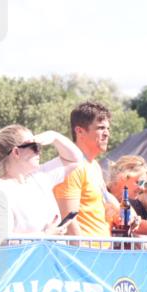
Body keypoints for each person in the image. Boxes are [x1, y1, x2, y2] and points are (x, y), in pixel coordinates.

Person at [0, 125, 81, 246]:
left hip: (51, 256)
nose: (39, 151)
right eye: (34, 146)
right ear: (16, 152)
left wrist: (54, 137)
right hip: (24, 259)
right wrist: (45, 236)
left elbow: (75, 159)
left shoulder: (40, 177)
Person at [53, 102, 114, 241]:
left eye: (107, 128)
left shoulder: (94, 165)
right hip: (84, 251)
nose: (106, 133)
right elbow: (69, 220)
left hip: (100, 249)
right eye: (100, 128)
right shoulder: (72, 167)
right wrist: (81, 251)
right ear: (79, 131)